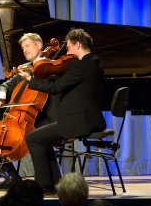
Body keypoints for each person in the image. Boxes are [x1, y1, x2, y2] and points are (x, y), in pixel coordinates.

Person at [22, 28, 106, 194]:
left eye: (68, 47)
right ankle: (54, 183)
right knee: (42, 138)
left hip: (77, 122)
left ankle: (44, 185)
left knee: (32, 137)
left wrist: (31, 79)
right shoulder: (95, 64)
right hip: (90, 119)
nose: (66, 51)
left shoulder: (80, 67)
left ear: (78, 45)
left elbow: (55, 87)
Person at [0, 33, 60, 188]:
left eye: (28, 46)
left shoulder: (51, 67)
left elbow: (50, 89)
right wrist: (2, 94)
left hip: (44, 118)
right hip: (21, 118)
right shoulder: (25, 69)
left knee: (36, 137)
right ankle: (13, 176)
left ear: (39, 46)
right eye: (23, 48)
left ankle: (47, 183)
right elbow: (6, 84)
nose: (25, 51)